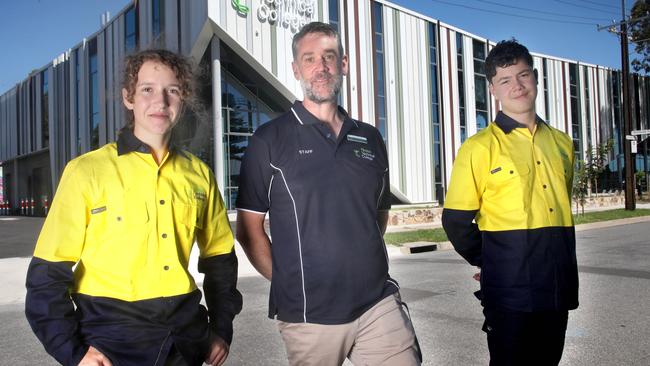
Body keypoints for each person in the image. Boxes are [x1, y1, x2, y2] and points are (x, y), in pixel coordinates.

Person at [25, 49, 242, 366]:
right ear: (128, 97)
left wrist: (221, 329)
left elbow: (221, 262)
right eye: (147, 89)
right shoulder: (86, 171)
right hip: (110, 346)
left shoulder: (199, 175)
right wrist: (73, 352)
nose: (161, 102)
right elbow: (46, 276)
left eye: (173, 91)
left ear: (183, 101)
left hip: (185, 343)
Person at [235, 21, 421, 366]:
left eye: (329, 57)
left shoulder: (369, 138)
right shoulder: (269, 140)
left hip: (377, 302)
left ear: (344, 64)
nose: (320, 67)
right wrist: (287, 279)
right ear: (295, 69)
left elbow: (376, 216)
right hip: (309, 316)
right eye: (309, 59)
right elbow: (248, 229)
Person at [442, 39, 579, 366]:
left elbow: (561, 201)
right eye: (505, 80)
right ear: (492, 89)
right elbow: (456, 221)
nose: (516, 86)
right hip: (509, 292)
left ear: (535, 78)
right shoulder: (478, 147)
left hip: (558, 287)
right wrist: (488, 260)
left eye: (523, 75)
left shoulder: (562, 143)